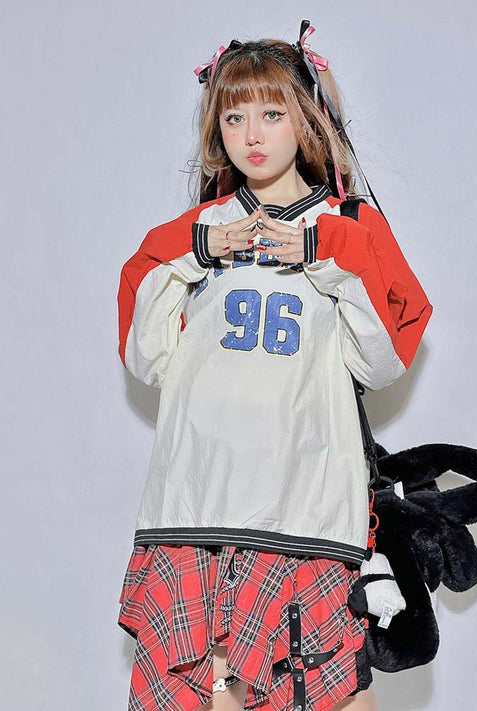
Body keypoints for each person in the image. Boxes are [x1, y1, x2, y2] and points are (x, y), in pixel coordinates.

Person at [116, 21, 433, 711]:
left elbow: (382, 363)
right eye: (233, 117)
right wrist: (194, 251)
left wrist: (327, 258)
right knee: (207, 687)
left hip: (305, 507)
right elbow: (147, 360)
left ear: (306, 119)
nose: (251, 134)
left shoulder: (350, 228)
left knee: (331, 690)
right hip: (197, 504)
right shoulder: (190, 233)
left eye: (271, 113)